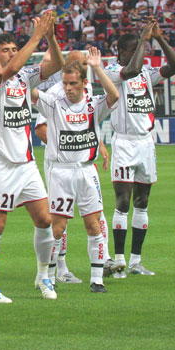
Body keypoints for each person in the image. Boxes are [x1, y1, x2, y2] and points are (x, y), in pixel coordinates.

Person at [0, 12, 65, 302]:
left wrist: (50, 36)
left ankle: (44, 276)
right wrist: (35, 37)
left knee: (45, 219)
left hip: (26, 163)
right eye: (5, 50)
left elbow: (57, 65)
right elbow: (9, 69)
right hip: (0, 164)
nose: (12, 53)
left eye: (15, 48)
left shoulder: (25, 77)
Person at [34, 50, 123, 284]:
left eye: (73, 84)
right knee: (58, 227)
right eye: (65, 83)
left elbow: (114, 95)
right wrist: (40, 69)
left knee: (94, 224)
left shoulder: (93, 103)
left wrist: (98, 68)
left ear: (84, 82)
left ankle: (97, 280)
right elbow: (29, 92)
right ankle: (49, 277)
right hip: (61, 171)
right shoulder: (54, 102)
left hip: (86, 170)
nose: (68, 88)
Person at [105, 17, 175, 277]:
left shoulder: (147, 74)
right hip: (124, 143)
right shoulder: (112, 71)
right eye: (133, 49)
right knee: (123, 201)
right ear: (121, 52)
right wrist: (143, 40)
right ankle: (118, 261)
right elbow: (131, 70)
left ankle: (136, 262)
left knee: (143, 201)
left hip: (146, 143)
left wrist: (158, 38)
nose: (139, 53)